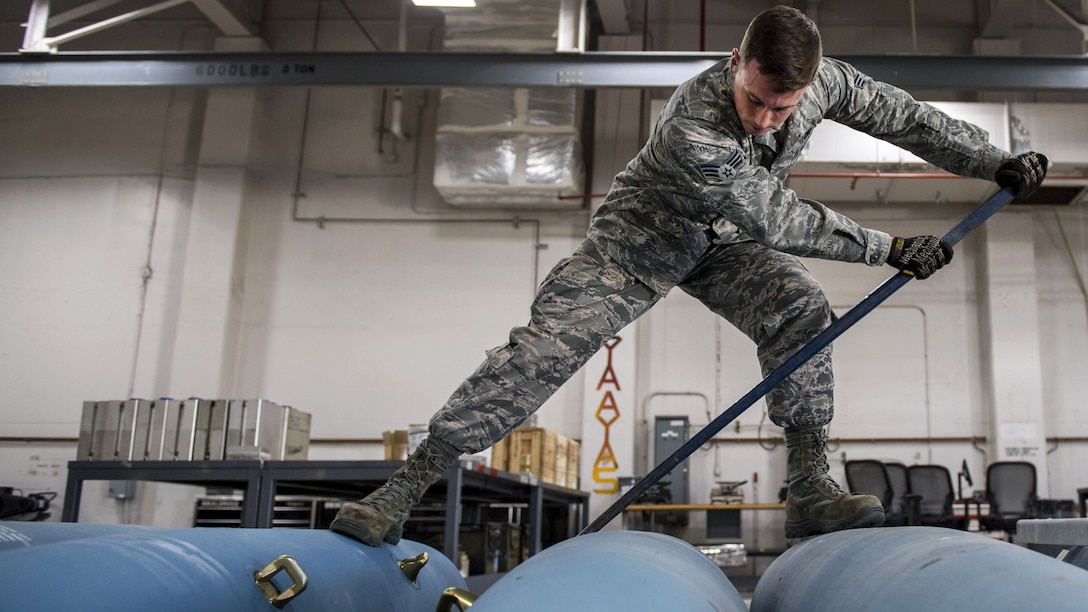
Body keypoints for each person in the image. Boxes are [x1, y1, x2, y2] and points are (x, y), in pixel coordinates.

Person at [331, 5, 1047, 545]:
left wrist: (990, 160)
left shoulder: (825, 82)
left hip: (724, 245)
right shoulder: (693, 124)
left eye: (784, 107)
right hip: (639, 243)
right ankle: (403, 491)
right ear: (737, 62)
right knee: (544, 350)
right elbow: (773, 215)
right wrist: (885, 248)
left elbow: (905, 117)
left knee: (799, 307)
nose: (768, 120)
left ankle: (808, 486)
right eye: (756, 100)